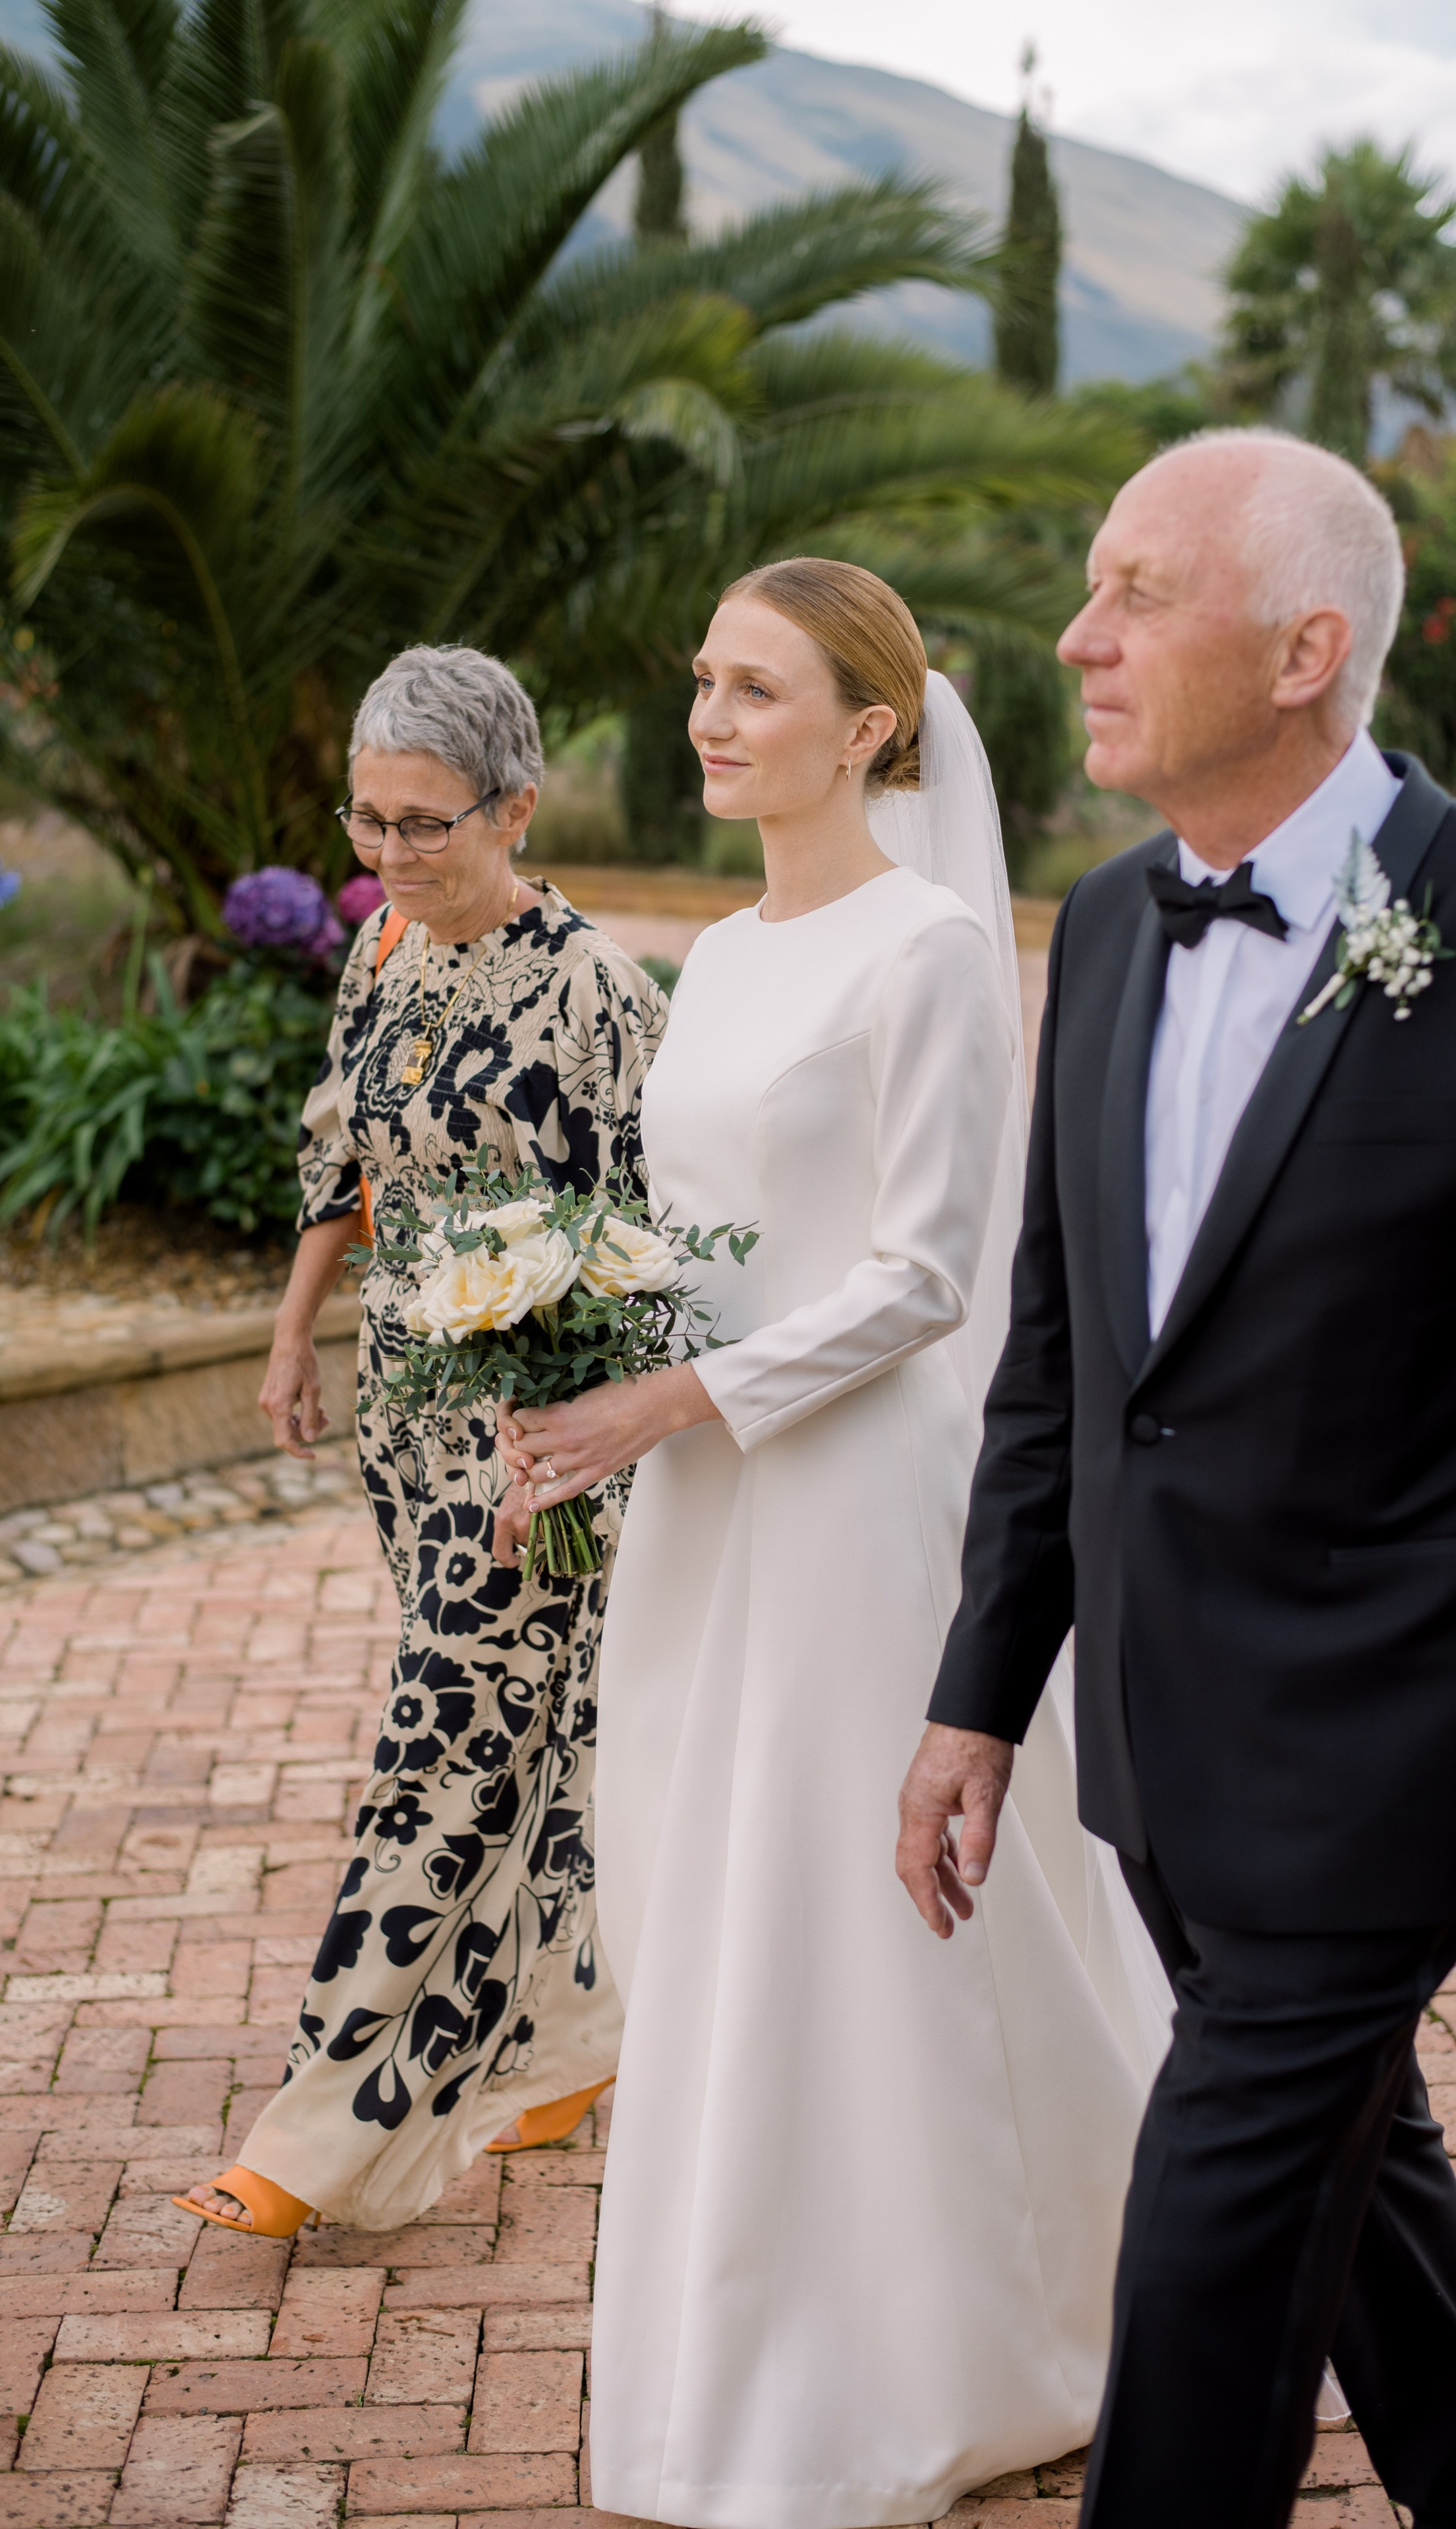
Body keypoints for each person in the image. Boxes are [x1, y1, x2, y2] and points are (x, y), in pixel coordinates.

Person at [897, 425, 1456, 2529]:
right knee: (1365, 2149)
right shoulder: (1108, 931)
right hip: (1160, 1732)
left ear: (1306, 644)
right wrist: (983, 1689)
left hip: (1398, 1741)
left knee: (1221, 2226)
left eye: (1139, 592)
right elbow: (1063, 1366)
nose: (1078, 637)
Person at [495, 558, 1175, 2529]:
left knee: (859, 1909)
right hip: (704, 1492)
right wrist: (581, 1333)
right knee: (714, 1887)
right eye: (702, 676)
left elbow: (923, 1274)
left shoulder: (931, 950)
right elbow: (699, 1236)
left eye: (757, 686)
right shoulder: (717, 953)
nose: (709, 716)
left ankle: (970, 2339)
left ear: (868, 729)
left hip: (859, 1499)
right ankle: (746, 2344)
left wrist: (672, 1399)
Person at [175, 643, 665, 2239]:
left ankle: (327, 2120)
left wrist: (555, 1460)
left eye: (423, 822)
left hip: (543, 1443)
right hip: (404, 1414)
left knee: (443, 1744)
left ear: (513, 806)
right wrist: (289, 1334)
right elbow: (340, 1142)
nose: (386, 852)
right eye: (368, 818)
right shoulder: (381, 947)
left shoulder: (595, 992)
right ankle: (574, 2036)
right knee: (520, 1732)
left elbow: (626, 1245)